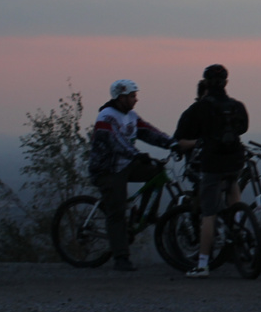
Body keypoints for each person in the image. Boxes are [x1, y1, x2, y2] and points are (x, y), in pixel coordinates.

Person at [88, 79, 175, 272]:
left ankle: (146, 214)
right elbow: (116, 142)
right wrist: (137, 155)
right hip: (107, 169)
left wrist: (172, 143)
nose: (136, 99)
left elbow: (149, 132)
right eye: (132, 96)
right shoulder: (106, 117)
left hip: (126, 164)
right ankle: (121, 257)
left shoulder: (131, 116)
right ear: (121, 97)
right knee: (117, 211)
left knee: (157, 172)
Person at [174, 64, 249, 278]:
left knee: (209, 214)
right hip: (235, 159)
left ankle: (203, 264)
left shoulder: (199, 108)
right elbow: (243, 128)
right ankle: (236, 235)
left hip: (212, 163)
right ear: (226, 82)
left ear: (205, 82)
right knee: (233, 191)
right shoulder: (237, 106)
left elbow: (180, 138)